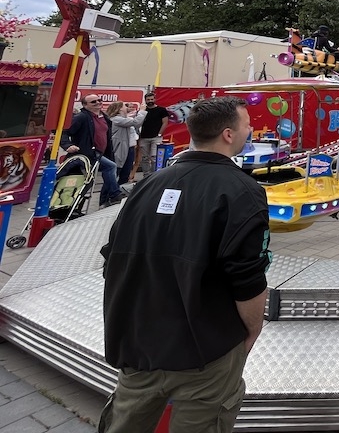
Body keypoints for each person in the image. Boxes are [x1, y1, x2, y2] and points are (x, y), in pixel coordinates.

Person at [98, 96, 272, 433]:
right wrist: (251, 329)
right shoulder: (242, 191)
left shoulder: (148, 184)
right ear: (227, 134)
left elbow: (112, 256)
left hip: (139, 343)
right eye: (246, 124)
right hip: (205, 348)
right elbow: (247, 276)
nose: (250, 129)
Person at [61, 95, 121, 207]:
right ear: (85, 105)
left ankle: (105, 201)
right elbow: (64, 132)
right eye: (93, 102)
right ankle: (115, 195)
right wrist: (67, 145)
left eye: (99, 100)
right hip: (87, 154)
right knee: (110, 167)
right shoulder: (81, 117)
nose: (98, 102)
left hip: (101, 153)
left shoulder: (104, 117)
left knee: (107, 173)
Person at [106, 102, 144, 186]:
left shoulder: (125, 118)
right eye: (125, 106)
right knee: (117, 170)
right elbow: (136, 122)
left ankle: (120, 189)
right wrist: (142, 112)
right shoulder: (116, 119)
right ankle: (108, 194)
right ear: (119, 109)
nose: (127, 108)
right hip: (121, 148)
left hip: (129, 148)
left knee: (126, 172)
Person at [135, 91, 169, 179]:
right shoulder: (143, 111)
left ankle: (154, 176)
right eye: (148, 99)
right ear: (145, 100)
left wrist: (160, 134)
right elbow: (137, 122)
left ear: (155, 99)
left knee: (155, 157)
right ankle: (146, 175)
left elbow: (165, 122)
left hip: (156, 137)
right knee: (145, 158)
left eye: (152, 99)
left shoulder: (161, 110)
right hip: (144, 137)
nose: (150, 101)